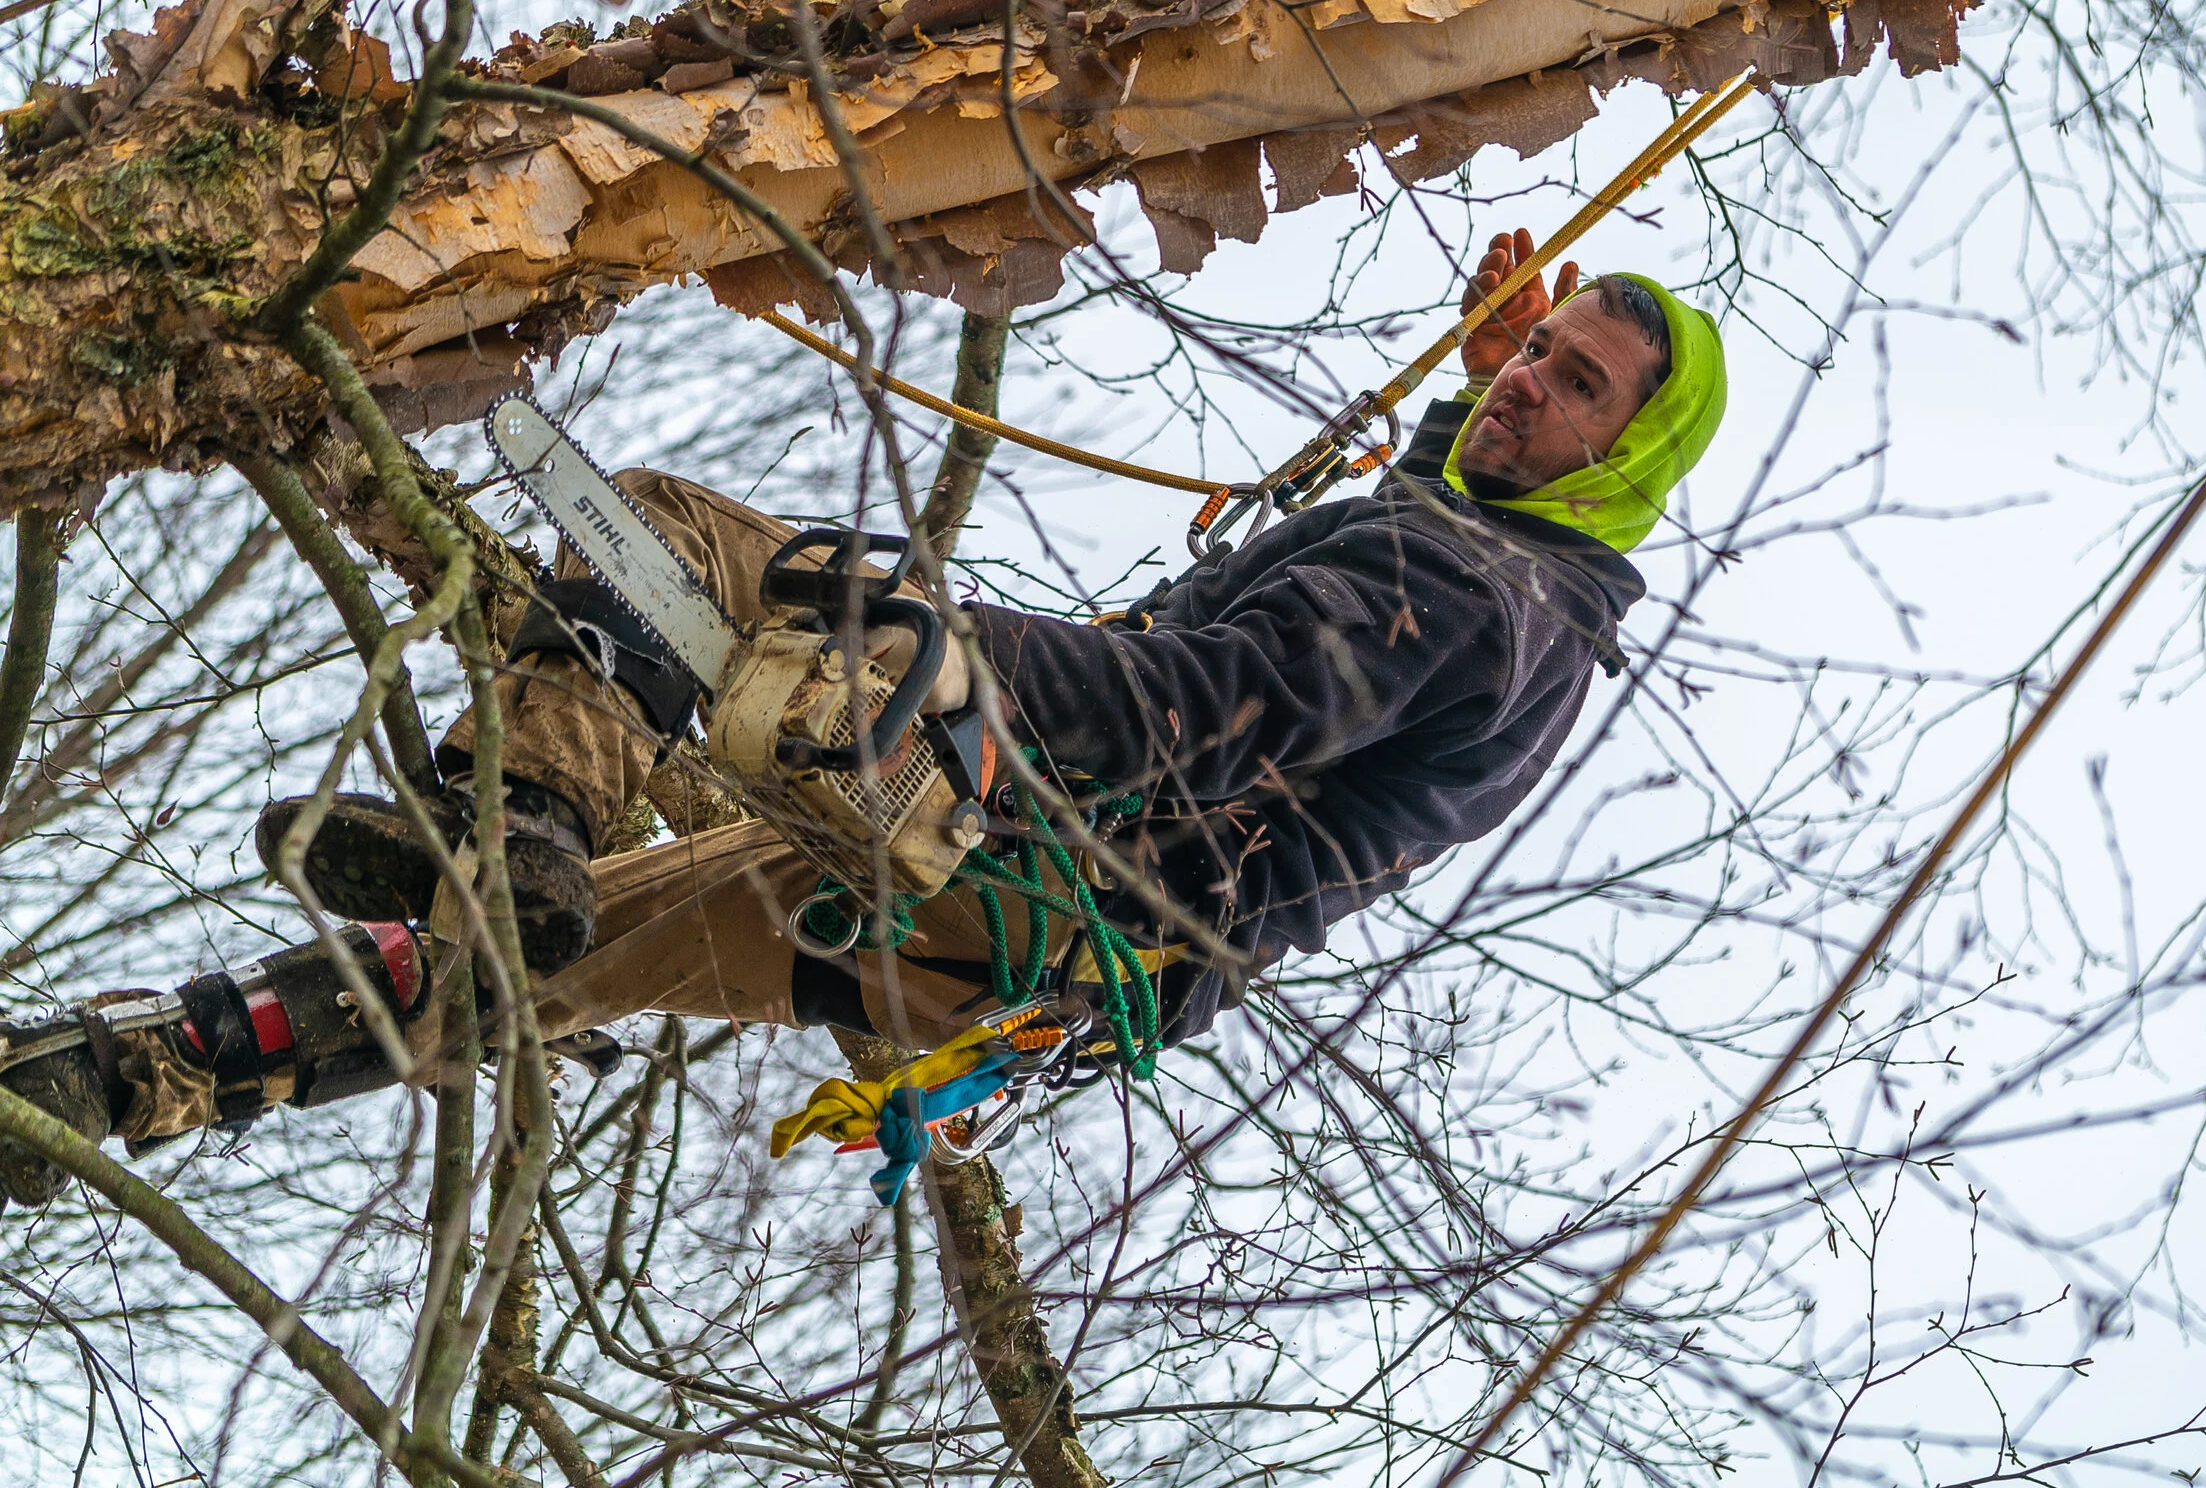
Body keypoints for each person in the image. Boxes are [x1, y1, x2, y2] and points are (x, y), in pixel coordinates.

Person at [0, 236, 1726, 1207]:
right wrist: (1466, 399)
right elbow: (1347, 634)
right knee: (534, 965)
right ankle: (132, 1073)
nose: (1528, 380)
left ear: (1631, 455)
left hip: (1045, 861)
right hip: (1025, 951)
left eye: (1575, 382)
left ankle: (525, 817)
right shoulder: (1510, 595)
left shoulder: (1469, 590)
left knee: (674, 533)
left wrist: (945, 653)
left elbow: (1202, 708)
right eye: (1537, 351)